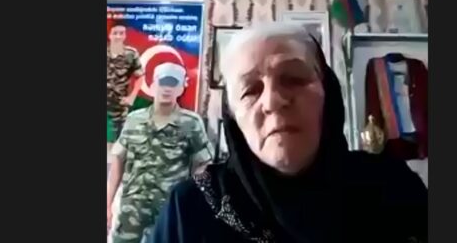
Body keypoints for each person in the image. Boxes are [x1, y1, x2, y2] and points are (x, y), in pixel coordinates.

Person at [152, 23, 428, 242]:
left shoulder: (393, 185)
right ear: (233, 117)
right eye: (250, 90)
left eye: (294, 79)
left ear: (328, 94)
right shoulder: (190, 207)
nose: (272, 102)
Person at [107, 62, 213, 243]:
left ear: (181, 88)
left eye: (173, 83)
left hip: (170, 211)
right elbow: (118, 163)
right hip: (132, 210)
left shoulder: (191, 123)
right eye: (163, 82)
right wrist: (107, 203)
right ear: (153, 84)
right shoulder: (134, 120)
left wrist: (196, 204)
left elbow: (202, 167)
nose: (167, 88)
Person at [107, 22, 144, 150]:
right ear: (110, 35)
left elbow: (140, 76)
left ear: (125, 35)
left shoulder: (131, 54)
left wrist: (132, 97)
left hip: (119, 105)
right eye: (115, 33)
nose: (118, 36)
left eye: (121, 33)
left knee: (121, 144)